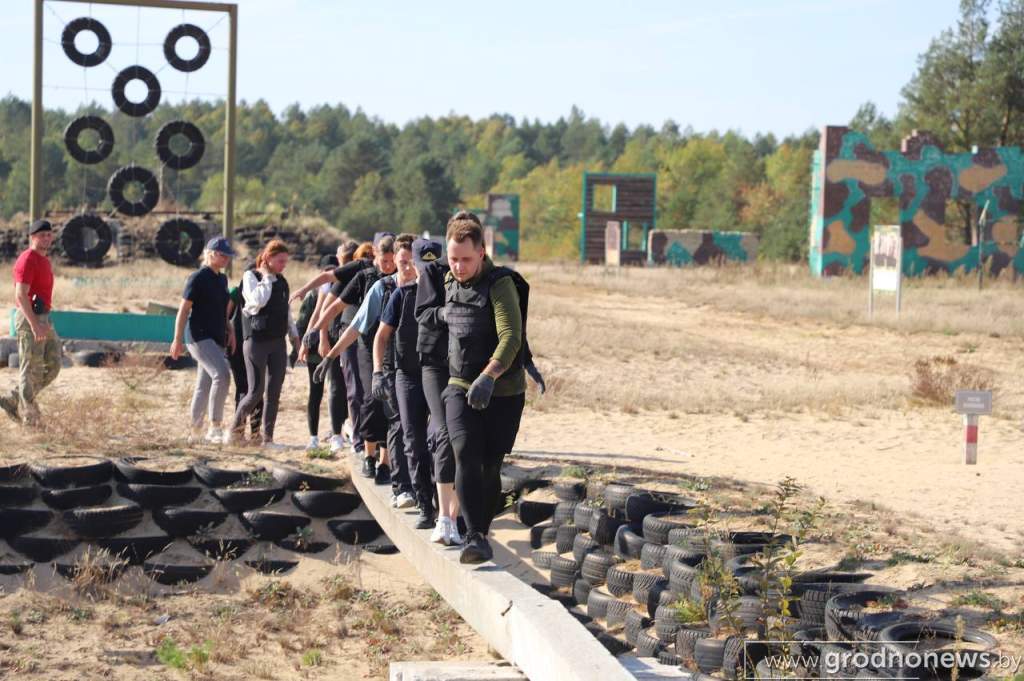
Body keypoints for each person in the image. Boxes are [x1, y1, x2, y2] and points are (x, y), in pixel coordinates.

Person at [442, 211, 533, 564]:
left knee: (490, 466)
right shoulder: (446, 279)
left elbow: (511, 336)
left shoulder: (500, 284)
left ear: (482, 252)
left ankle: (481, 528)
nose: (459, 267)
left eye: (466, 259)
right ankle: (474, 535)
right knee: (464, 451)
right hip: (459, 384)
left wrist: (489, 375)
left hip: (503, 389)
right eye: (453, 259)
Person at [314, 237, 397, 482]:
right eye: (385, 261)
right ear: (375, 256)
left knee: (391, 404)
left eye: (393, 261)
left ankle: (385, 461)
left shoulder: (402, 283)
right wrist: (319, 333)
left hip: (395, 349)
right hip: (366, 345)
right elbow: (338, 307)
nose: (390, 266)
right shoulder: (368, 279)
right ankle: (369, 455)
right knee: (370, 398)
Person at [372, 236, 431, 519]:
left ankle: (431, 492)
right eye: (403, 263)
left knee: (435, 436)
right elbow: (377, 335)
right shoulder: (392, 293)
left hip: (434, 373)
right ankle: (405, 489)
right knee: (405, 431)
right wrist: (377, 374)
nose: (407, 269)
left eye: (413, 263)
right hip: (400, 372)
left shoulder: (437, 291)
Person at [298, 241, 373, 454]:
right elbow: (322, 310)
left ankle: (349, 430)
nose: (339, 263)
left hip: (352, 334)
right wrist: (317, 337)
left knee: (351, 388)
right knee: (337, 387)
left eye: (342, 259)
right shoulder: (337, 279)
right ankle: (336, 433)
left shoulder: (359, 275)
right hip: (333, 334)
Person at [413, 238, 462, 545]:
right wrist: (446, 313)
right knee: (442, 433)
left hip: (467, 365)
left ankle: (457, 518)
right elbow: (423, 312)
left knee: (464, 440)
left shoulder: (485, 275)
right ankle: (442, 516)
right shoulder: (434, 273)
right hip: (434, 363)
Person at [230, 239, 300, 448]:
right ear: (268, 259)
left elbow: (286, 313)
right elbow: (255, 303)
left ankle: (267, 438)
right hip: (256, 341)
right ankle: (234, 430)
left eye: (285, 262)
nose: (283, 266)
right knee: (255, 391)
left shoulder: (283, 282)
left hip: (277, 342)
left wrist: (295, 339)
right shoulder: (251, 276)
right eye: (280, 261)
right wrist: (267, 278)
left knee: (274, 391)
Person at [169, 237, 236, 443]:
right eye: (222, 255)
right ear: (211, 253)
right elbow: (183, 310)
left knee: (203, 384)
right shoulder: (197, 277)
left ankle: (195, 432)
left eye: (228, 256)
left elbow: (223, 310)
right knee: (222, 375)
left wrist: (230, 329)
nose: (226, 259)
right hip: (198, 335)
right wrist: (177, 339)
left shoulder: (222, 279)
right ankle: (215, 427)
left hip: (216, 336)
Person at [0, 219, 61, 426]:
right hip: (29, 319)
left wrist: (43, 322)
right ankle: (30, 418)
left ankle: (13, 398)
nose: (46, 238)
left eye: (48, 234)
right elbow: (21, 294)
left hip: (44, 317)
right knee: (30, 368)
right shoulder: (27, 259)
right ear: (32, 237)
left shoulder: (44, 260)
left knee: (53, 365)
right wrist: (35, 325)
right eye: (41, 235)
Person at [297, 253, 345, 452]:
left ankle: (337, 433)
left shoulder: (342, 289)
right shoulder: (314, 295)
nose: (329, 274)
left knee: (337, 389)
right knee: (315, 392)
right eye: (326, 271)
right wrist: (303, 344)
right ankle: (313, 437)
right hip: (316, 348)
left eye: (333, 270)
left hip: (334, 346)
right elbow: (306, 321)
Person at [227, 261, 263, 442]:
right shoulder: (261, 293)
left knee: (244, 388)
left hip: (238, 346)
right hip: (247, 345)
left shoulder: (236, 291)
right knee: (254, 389)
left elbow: (226, 318)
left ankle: (241, 432)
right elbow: (226, 317)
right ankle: (252, 433)